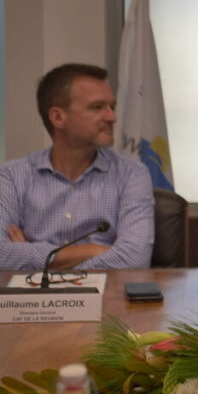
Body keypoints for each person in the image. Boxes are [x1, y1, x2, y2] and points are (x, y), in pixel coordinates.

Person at [0, 63, 154, 271]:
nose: (112, 117)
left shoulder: (132, 174)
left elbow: (135, 259)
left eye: (112, 107)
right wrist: (93, 250)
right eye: (97, 107)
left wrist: (31, 260)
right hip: (30, 294)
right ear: (58, 117)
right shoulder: (11, 176)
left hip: (107, 292)